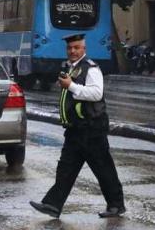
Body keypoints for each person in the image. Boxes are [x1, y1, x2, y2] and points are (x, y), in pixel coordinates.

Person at [30, 33, 125, 219]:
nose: (72, 51)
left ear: (84, 49)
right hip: (75, 130)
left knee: (103, 168)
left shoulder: (91, 69)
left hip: (92, 129)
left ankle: (116, 205)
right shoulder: (72, 68)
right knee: (65, 168)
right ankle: (52, 205)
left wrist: (71, 86)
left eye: (76, 48)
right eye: (70, 48)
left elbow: (97, 94)